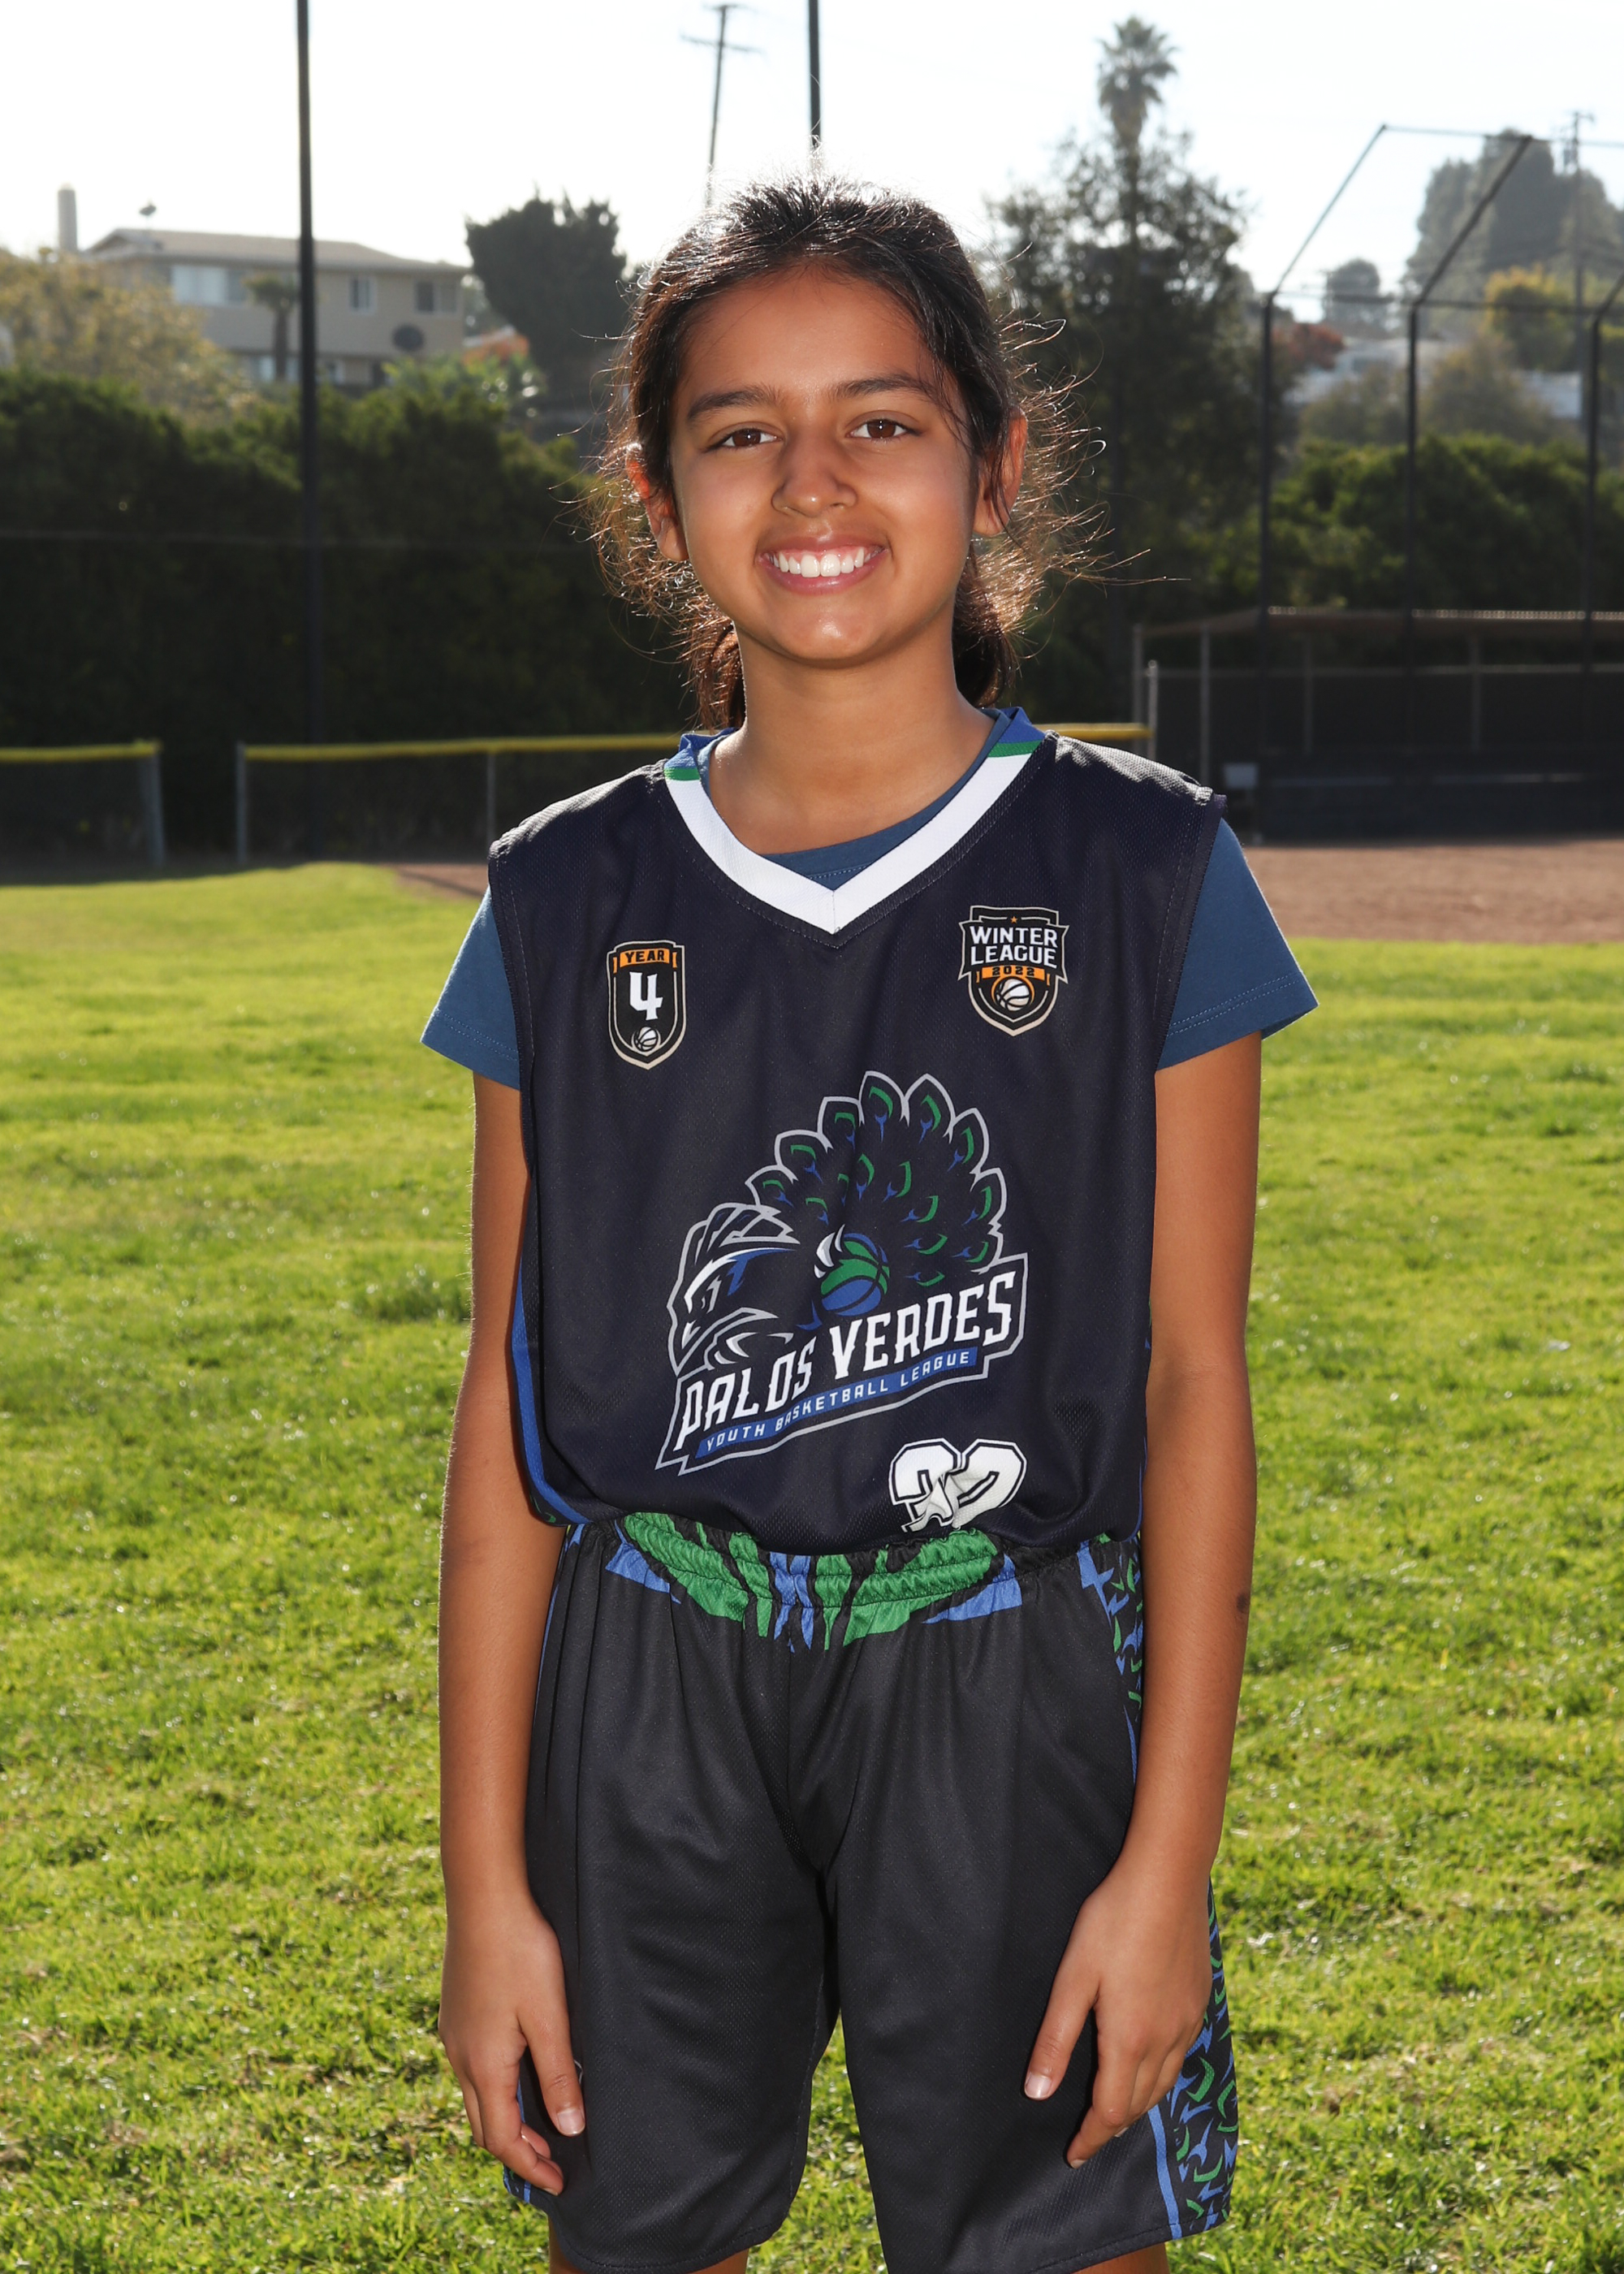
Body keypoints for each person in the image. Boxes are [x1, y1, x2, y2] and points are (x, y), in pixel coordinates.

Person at [423, 177, 1315, 2274]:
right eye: (740, 431)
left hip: (1003, 1660)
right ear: (659, 495)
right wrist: (486, 1892)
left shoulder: (1144, 870)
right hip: (654, 1670)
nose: (811, 482)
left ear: (994, 464)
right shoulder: (563, 897)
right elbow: (507, 1410)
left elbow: (1195, 1384)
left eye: (881, 422)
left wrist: (1167, 1865)